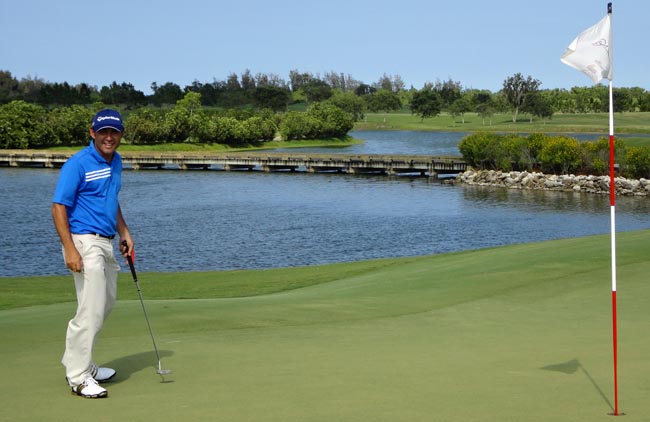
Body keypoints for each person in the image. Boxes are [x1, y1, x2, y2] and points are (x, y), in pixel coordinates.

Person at [52, 108, 134, 398]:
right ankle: (77, 376)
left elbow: (111, 199)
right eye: (103, 132)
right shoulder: (78, 164)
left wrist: (124, 232)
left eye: (114, 132)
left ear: (121, 134)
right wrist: (70, 249)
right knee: (90, 309)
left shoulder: (117, 162)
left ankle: (85, 364)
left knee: (105, 304)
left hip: (106, 241)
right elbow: (58, 206)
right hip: (84, 243)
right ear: (92, 133)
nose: (109, 137)